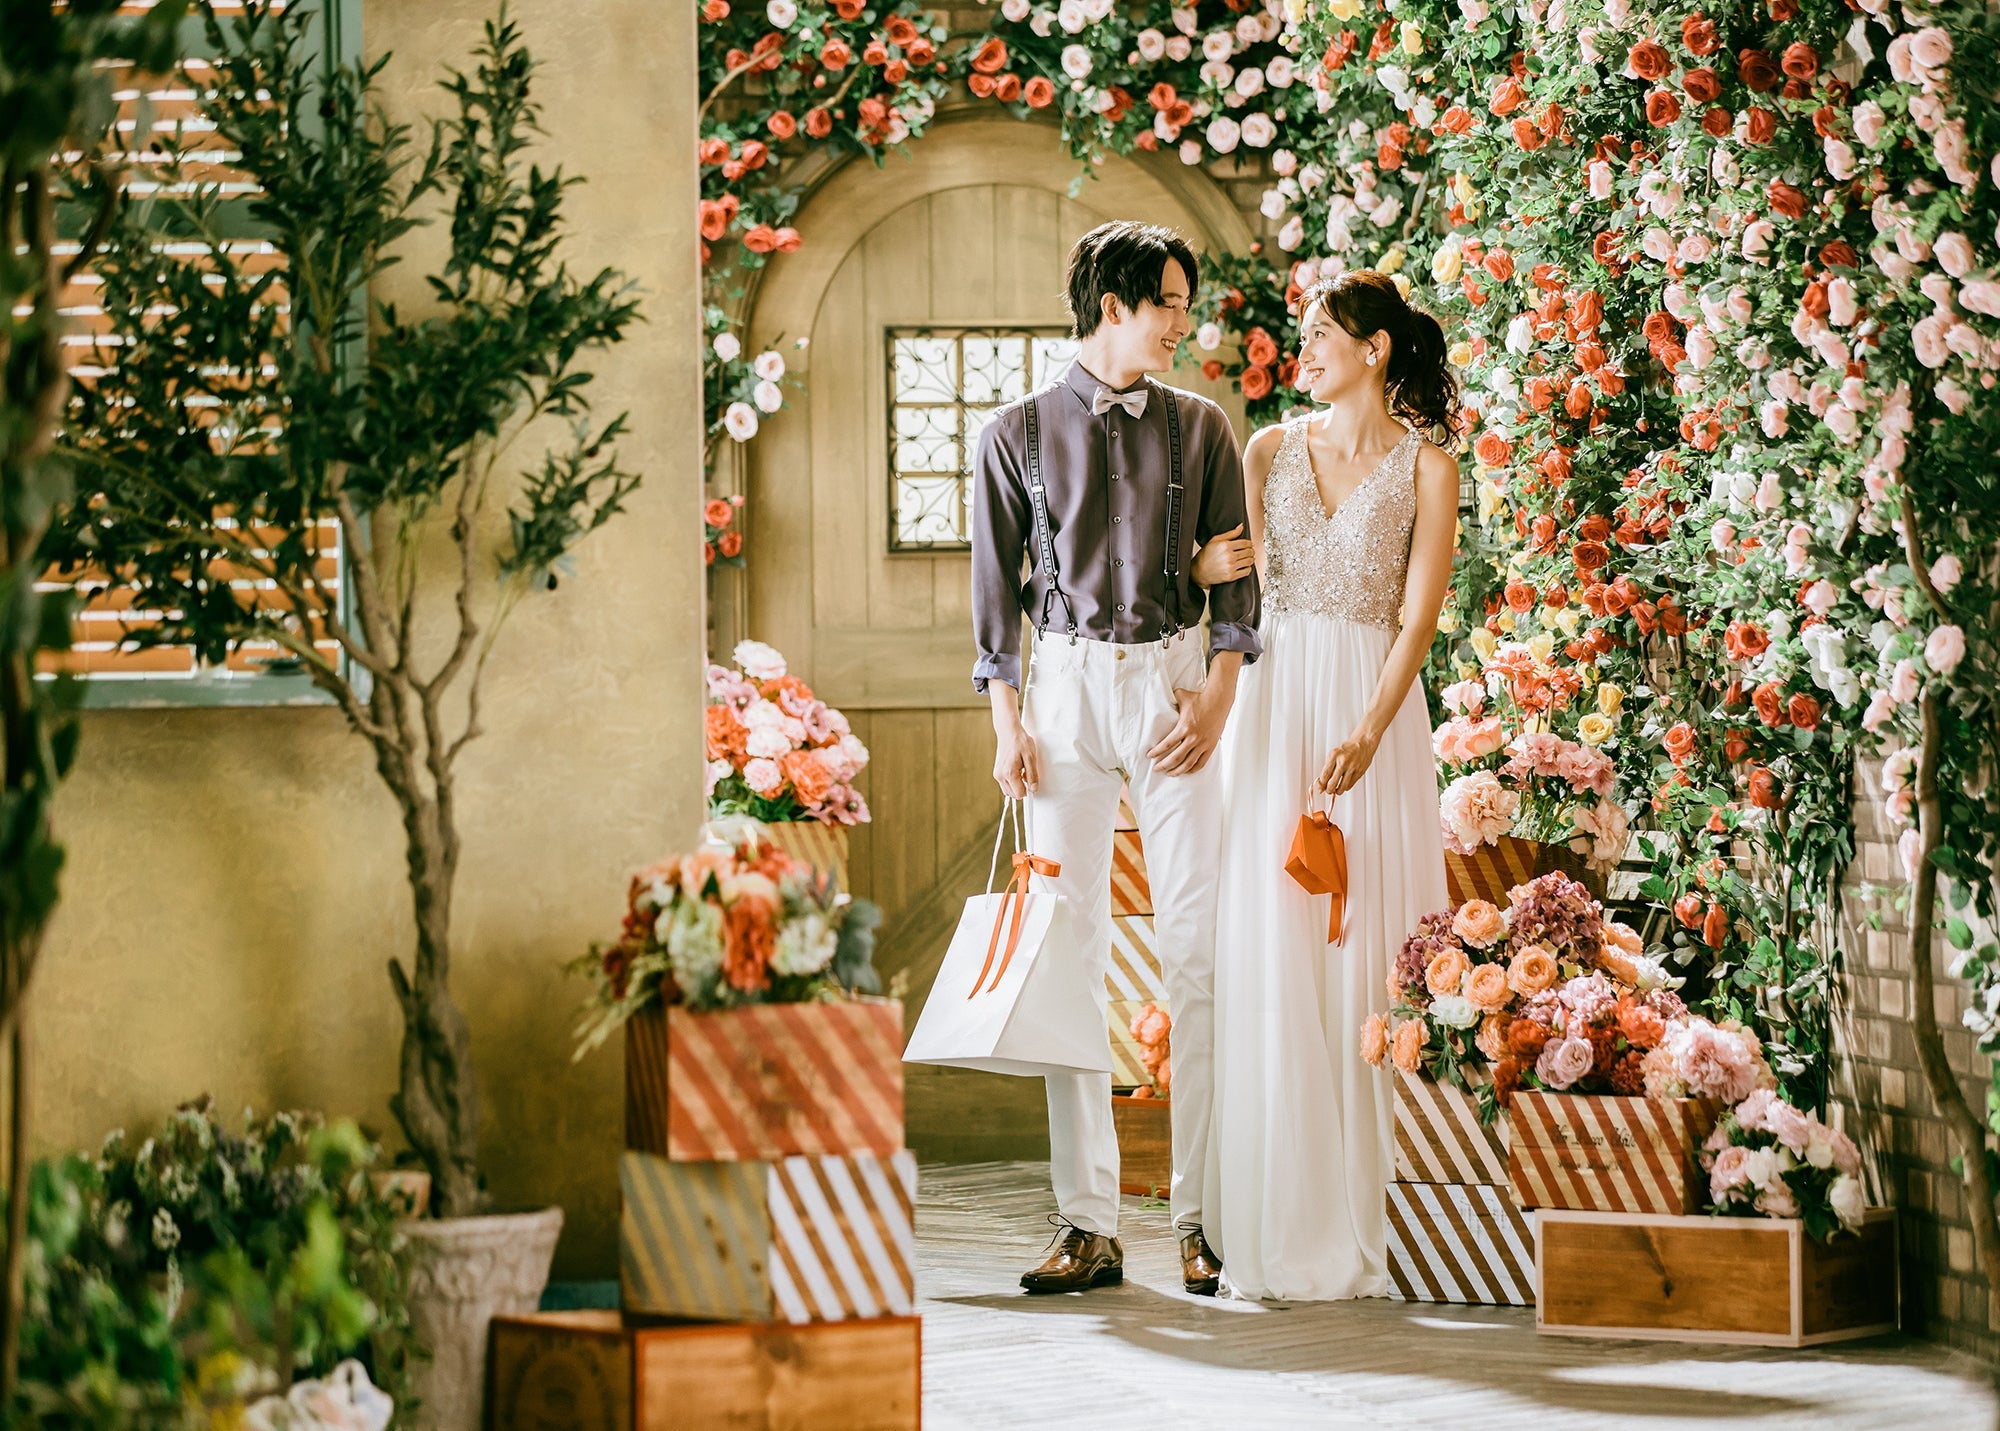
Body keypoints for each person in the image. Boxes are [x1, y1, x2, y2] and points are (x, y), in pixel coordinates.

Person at [970, 220, 1260, 1297]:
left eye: (1183, 302)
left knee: (1195, 948)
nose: (1183, 322)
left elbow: (1237, 592)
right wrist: (1007, 726)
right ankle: (1087, 1225)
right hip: (1061, 694)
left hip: (1175, 683)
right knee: (1064, 954)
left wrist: (1219, 697)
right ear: (1113, 308)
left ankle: (1203, 1218)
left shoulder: (1203, 427)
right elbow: (996, 598)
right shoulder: (1010, 433)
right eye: (1170, 304)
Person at [1193, 269, 1459, 1300]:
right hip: (1274, 702)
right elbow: (1225, 574)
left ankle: (1384, 1216)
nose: (1303, 349)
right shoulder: (1267, 449)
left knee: (1369, 944)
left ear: (1374, 348)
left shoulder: (1426, 468)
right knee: (1275, 939)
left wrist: (1365, 731)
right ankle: (1278, 1215)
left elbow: (1416, 620)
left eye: (1320, 333)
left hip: (1372, 715)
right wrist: (1207, 567)